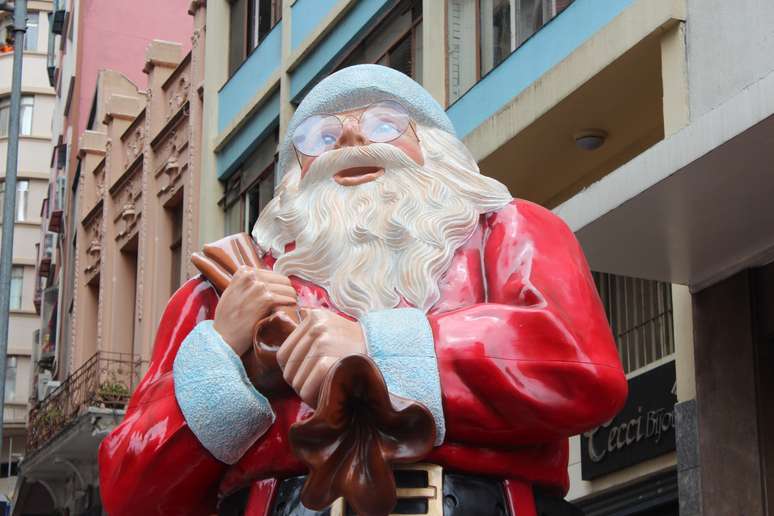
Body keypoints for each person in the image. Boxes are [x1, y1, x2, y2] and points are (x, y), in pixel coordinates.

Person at [98, 64, 627, 516]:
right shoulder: (224, 293)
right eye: (321, 137)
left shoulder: (510, 231)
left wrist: (375, 347)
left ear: (435, 150)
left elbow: (581, 366)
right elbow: (130, 492)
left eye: (384, 124)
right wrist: (223, 362)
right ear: (294, 176)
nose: (351, 141)